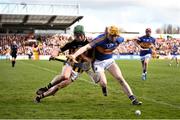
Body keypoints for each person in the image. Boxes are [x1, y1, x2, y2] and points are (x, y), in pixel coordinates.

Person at [67, 25, 142, 105]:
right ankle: (103, 87)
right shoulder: (100, 39)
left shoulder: (119, 39)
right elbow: (85, 47)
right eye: (112, 36)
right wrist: (74, 55)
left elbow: (127, 38)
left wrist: (134, 37)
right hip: (98, 63)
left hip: (109, 60)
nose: (114, 38)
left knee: (120, 78)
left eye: (115, 36)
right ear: (107, 34)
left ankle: (133, 99)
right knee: (103, 83)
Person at [35, 25, 99, 103]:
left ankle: (40, 97)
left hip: (78, 71)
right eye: (76, 35)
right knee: (65, 76)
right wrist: (54, 54)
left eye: (79, 35)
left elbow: (92, 60)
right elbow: (59, 49)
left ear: (83, 34)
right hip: (69, 64)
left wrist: (83, 58)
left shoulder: (89, 45)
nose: (78, 37)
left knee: (59, 86)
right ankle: (46, 87)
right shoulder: (72, 43)